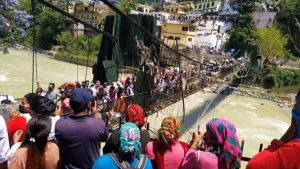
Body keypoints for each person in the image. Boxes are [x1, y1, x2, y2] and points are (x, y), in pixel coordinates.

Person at [55, 88, 109, 169]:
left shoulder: (60, 125)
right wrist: (94, 115)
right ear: (89, 104)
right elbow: (104, 138)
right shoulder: (99, 124)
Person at [246, 89, 300, 169]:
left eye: (296, 101)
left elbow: (254, 166)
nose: (293, 106)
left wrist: (286, 136)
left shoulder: (295, 149)